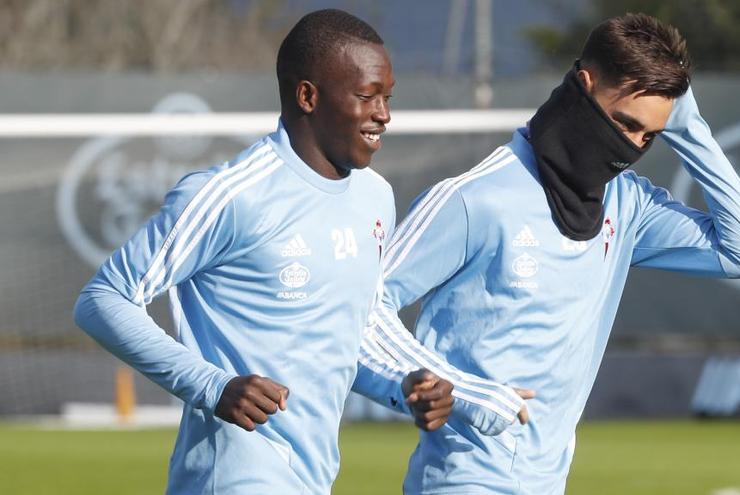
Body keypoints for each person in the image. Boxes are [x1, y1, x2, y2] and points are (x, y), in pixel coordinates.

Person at [73, 9, 527, 494]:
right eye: (366, 96)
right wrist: (212, 386)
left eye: (388, 97)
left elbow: (345, 340)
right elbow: (104, 298)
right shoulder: (232, 193)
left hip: (313, 477)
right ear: (308, 96)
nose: (384, 114)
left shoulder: (374, 198)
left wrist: (406, 387)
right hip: (232, 479)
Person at [351, 13, 740, 494]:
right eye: (624, 124)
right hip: (461, 482)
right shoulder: (475, 200)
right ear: (584, 86)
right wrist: (463, 391)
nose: (631, 147)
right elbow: (359, 307)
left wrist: (688, 125)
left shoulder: (626, 204)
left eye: (649, 136)